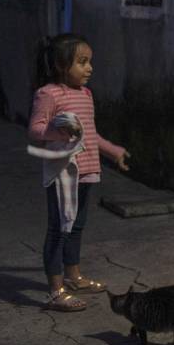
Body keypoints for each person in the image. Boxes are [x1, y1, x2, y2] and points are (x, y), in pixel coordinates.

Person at [28, 33, 130, 312]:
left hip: (87, 171)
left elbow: (90, 133)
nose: (89, 68)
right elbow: (36, 129)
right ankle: (55, 290)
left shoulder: (85, 94)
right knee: (59, 228)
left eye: (90, 62)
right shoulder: (49, 93)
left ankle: (73, 277)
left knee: (77, 226)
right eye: (82, 62)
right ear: (62, 65)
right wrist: (59, 130)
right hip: (63, 173)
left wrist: (113, 151)